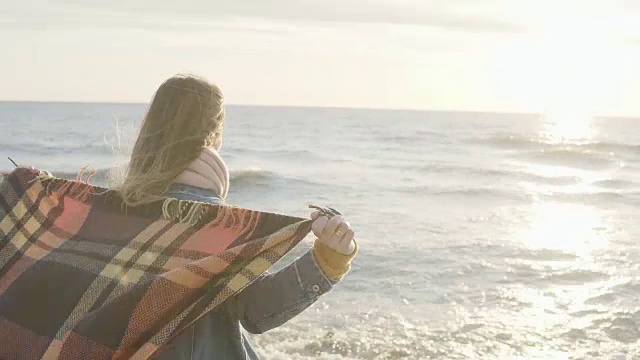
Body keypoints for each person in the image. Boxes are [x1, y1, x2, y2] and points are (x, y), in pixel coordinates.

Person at [116, 74, 358, 359]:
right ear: (213, 131)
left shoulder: (112, 212)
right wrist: (327, 261)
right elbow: (256, 311)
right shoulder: (211, 221)